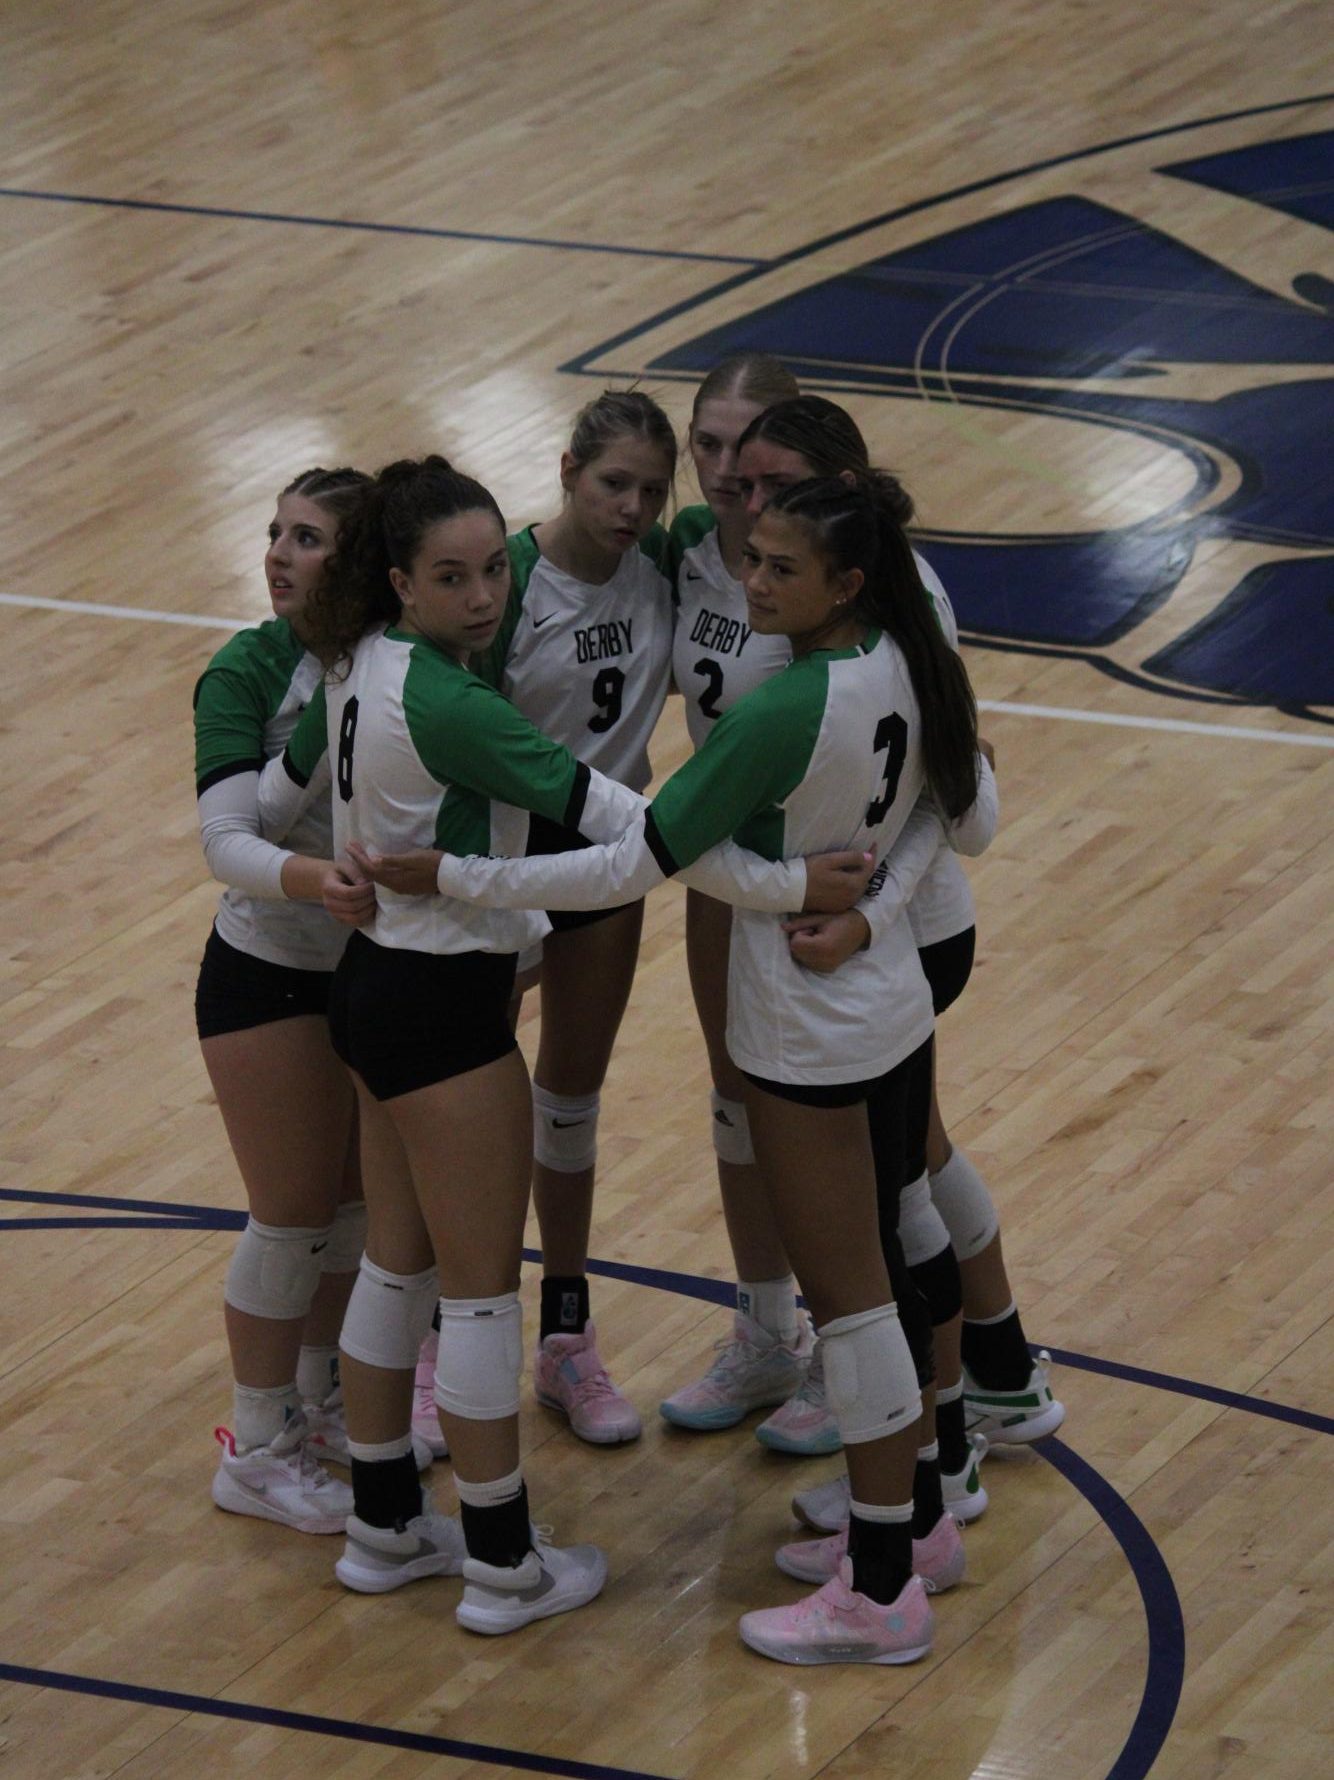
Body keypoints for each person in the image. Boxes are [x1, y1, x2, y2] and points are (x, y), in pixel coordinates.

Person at [364, 475, 995, 1665]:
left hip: (805, 1031)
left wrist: (458, 879)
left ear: (842, 584)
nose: (747, 582)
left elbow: (631, 864)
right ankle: (915, 1530)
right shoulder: (916, 657)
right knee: (891, 1274)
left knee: (854, 1306)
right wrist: (865, 912)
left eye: (776, 568)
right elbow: (949, 819)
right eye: (748, 558)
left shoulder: (777, 711)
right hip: (890, 1000)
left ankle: (877, 1592)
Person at [261, 456, 872, 1630]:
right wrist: (786, 873)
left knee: (398, 1263)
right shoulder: (450, 704)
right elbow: (629, 826)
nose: (485, 597)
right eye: (452, 577)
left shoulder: (358, 662)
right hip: (441, 1008)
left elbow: (288, 791)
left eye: (495, 569)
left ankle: (385, 1525)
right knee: (483, 1296)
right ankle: (501, 1560)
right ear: (397, 580)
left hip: (373, 991)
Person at [732, 400, 1062, 1538]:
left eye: (771, 479)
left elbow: (963, 810)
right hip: (863, 931)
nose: (745, 492)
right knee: (913, 1171)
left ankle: (939, 1457)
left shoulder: (898, 611)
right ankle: (994, 1378)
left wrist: (863, 910)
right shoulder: (762, 576)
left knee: (894, 1199)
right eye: (726, 466)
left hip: (898, 935)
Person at [464, 390, 679, 1447]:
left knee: (569, 1100)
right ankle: (436, 1339)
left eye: (650, 488)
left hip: (606, 862)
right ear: (564, 469)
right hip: (504, 865)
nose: (633, 506)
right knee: (467, 1108)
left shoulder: (665, 574)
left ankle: (564, 1333)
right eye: (612, 483)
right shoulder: (501, 583)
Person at [194, 466, 374, 1535]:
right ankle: (255, 1444)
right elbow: (228, 845)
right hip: (267, 968)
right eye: (276, 533)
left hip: (366, 970)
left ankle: (320, 1405)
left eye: (305, 539)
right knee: (291, 1210)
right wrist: (324, 882)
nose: (277, 554)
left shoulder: (401, 662)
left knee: (349, 1210)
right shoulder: (248, 670)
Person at [657, 353, 827, 1444]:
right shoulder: (676, 554)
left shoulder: (838, 565)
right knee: (733, 1102)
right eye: (705, 446)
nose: (726, 470)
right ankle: (767, 1332)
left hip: (826, 888)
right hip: (721, 876)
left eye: (748, 444)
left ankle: (874, 1347)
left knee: (849, 1131)